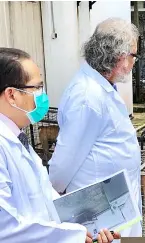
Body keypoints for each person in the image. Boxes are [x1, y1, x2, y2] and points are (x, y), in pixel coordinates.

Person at [0, 48, 119, 243]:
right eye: (36, 88)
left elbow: (44, 195)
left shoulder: (17, 137)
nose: (42, 95)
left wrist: (90, 222)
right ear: (12, 95)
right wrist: (75, 235)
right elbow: (5, 227)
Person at [48, 18, 142, 236]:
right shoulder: (87, 96)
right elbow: (64, 162)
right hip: (98, 206)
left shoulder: (102, 86)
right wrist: (57, 194)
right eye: (134, 55)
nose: (134, 62)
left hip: (115, 200)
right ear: (120, 57)